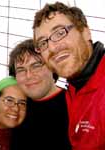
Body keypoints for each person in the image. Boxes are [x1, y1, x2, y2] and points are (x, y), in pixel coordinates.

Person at [33, 2, 105, 149]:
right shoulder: (73, 88)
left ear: (86, 32)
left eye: (60, 33)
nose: (52, 47)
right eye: (43, 43)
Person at [9, 39, 71, 149]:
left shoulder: (75, 106)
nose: (28, 75)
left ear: (52, 67)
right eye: (21, 70)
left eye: (36, 65)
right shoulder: (14, 108)